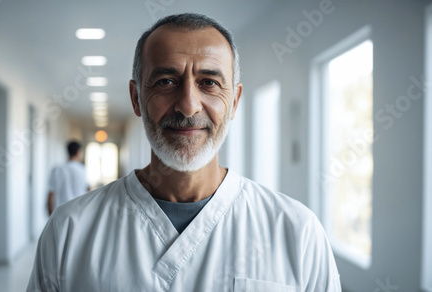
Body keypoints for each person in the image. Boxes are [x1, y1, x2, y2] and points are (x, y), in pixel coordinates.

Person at [28, 13, 341, 291]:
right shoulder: (70, 231)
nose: (188, 105)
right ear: (136, 98)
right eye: (166, 81)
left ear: (234, 102)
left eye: (208, 82)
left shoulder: (297, 233)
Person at [46, 141, 88, 216]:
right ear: (79, 152)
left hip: (60, 213)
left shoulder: (57, 170)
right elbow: (87, 190)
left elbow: (51, 194)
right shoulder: (83, 170)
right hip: (79, 213)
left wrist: (50, 214)